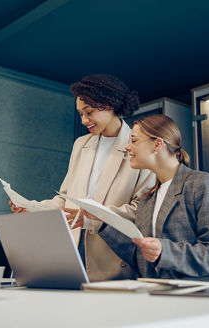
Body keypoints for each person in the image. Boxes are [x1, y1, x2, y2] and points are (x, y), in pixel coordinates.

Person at [9, 74, 154, 281]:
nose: (84, 120)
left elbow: (140, 210)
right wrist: (31, 207)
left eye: (89, 112)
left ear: (111, 105)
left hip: (113, 255)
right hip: (74, 248)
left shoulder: (138, 146)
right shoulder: (81, 145)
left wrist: (92, 219)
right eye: (80, 113)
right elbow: (65, 198)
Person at [90, 114, 209, 283]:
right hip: (164, 297)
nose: (127, 147)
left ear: (158, 144)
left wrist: (163, 251)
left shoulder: (203, 184)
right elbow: (141, 259)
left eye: (134, 140)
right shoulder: (147, 198)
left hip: (208, 297)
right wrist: (104, 223)